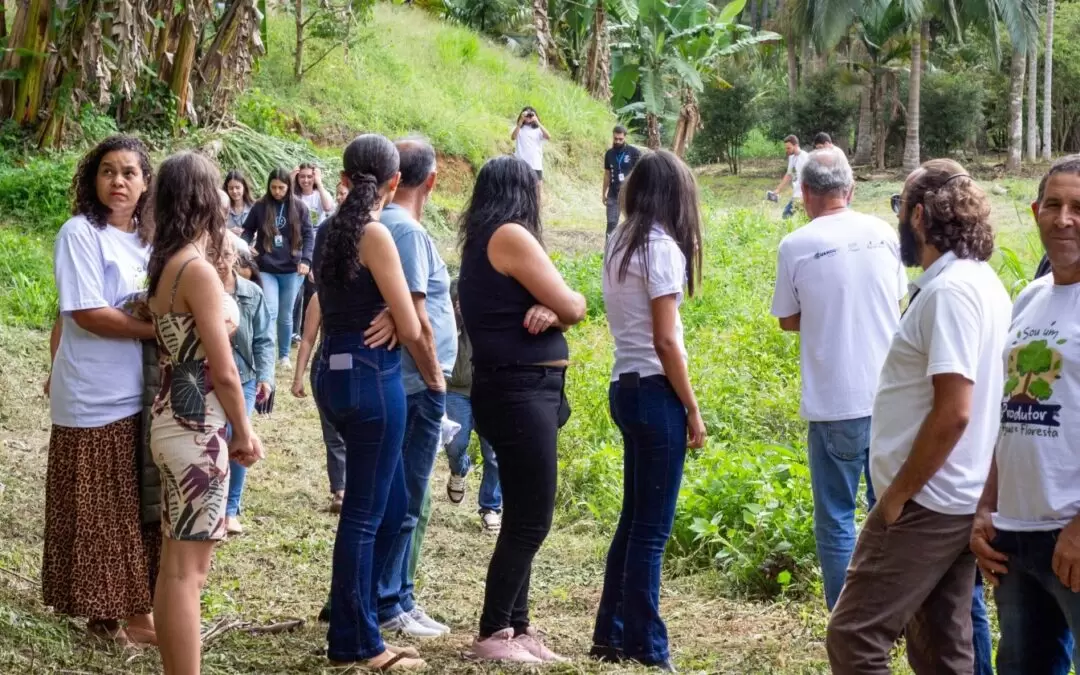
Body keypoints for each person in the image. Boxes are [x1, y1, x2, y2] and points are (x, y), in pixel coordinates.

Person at [826, 159, 1012, 674]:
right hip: (958, 494)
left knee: (854, 637)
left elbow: (954, 411)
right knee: (940, 647)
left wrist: (898, 495)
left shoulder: (950, 293)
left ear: (920, 215)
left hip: (927, 500)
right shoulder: (979, 283)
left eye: (899, 206)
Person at [459, 156, 586, 663]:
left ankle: (518, 627)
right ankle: (493, 631)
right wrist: (562, 306)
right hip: (519, 391)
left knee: (520, 515)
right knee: (532, 519)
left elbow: (555, 307)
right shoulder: (509, 234)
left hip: (518, 389)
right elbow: (577, 305)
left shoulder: (486, 239)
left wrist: (549, 308)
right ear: (523, 191)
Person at [770, 147, 906, 610]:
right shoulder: (884, 233)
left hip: (834, 403)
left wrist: (825, 312)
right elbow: (896, 301)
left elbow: (788, 320)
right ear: (850, 190)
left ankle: (848, 620)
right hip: (891, 400)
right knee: (889, 513)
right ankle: (893, 614)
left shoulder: (796, 245)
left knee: (835, 520)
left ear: (805, 193)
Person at [147, 151, 265, 675]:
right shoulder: (196, 271)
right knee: (190, 573)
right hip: (199, 428)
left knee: (176, 566)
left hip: (170, 416)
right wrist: (245, 431)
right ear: (202, 199)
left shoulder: (167, 264)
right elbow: (223, 370)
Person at [313, 134, 426, 670]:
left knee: (389, 504)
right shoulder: (374, 233)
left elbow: (331, 298)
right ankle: (357, 644)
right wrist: (395, 318)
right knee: (363, 516)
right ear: (394, 182)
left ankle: (354, 617)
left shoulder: (325, 230)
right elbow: (409, 323)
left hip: (331, 371)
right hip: (370, 377)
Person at [591, 150, 706, 672]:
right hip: (655, 390)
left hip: (624, 384)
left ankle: (610, 635)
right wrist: (693, 407)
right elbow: (666, 340)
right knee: (652, 529)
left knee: (634, 520)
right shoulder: (661, 248)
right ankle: (646, 645)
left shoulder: (620, 241)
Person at [43, 134, 159, 647]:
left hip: (142, 393)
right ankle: (102, 614)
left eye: (130, 172)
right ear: (94, 179)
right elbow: (85, 313)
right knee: (97, 508)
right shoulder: (79, 233)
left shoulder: (151, 241)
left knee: (135, 506)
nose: (118, 181)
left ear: (146, 183)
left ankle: (137, 609)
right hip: (94, 394)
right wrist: (155, 329)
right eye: (108, 171)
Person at [971, 155, 1080, 675]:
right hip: (1013, 535)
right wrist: (986, 505)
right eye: (1054, 205)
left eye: (1079, 207)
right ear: (1036, 211)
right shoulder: (1030, 298)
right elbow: (1006, 412)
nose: (1064, 219)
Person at [376, 138, 458, 639]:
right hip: (414, 383)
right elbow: (416, 320)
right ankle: (390, 601)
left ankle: (397, 595)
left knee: (403, 497)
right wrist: (435, 379)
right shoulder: (405, 231)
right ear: (430, 180)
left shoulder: (389, 226)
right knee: (405, 498)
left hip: (407, 381)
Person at [218, 234, 275, 536]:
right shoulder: (200, 291)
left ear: (235, 258)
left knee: (240, 435)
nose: (220, 259)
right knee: (217, 436)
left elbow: (265, 338)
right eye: (213, 252)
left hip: (245, 378)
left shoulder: (252, 293)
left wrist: (266, 376)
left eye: (225, 253)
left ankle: (230, 509)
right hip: (209, 378)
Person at [444, 278, 503, 533]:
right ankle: (459, 471)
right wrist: (457, 318)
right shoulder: (455, 290)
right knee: (455, 444)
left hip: (492, 387)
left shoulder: (502, 295)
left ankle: (491, 506)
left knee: (494, 452)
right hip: (458, 387)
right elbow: (441, 334)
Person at [242, 167, 314, 369]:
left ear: (288, 187)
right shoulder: (260, 206)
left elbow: (309, 235)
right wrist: (245, 244)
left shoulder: (299, 207)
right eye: (273, 187)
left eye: (281, 188)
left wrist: (306, 260)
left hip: (292, 268)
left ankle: (284, 355)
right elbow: (248, 230)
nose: (277, 191)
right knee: (270, 311)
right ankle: (267, 354)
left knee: (285, 314)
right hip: (266, 266)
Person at [603, 125, 643, 237]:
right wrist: (603, 193)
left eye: (620, 139)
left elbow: (640, 173)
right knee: (611, 225)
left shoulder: (634, 152)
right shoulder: (609, 154)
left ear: (625, 137)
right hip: (613, 194)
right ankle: (608, 251)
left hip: (629, 195)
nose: (618, 141)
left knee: (634, 224)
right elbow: (607, 174)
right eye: (615, 139)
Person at [771, 135, 809, 219]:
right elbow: (789, 175)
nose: (786, 150)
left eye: (788, 148)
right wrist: (778, 189)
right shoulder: (792, 158)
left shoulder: (806, 157)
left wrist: (805, 195)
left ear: (796, 145)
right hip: (797, 193)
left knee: (787, 214)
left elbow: (811, 178)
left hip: (804, 194)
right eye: (786, 148)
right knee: (795, 216)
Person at [512, 106, 550, 183]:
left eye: (531, 115)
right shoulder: (519, 128)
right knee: (519, 188)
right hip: (520, 163)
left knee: (537, 188)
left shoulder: (538, 130)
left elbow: (548, 136)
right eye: (527, 115)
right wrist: (520, 122)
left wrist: (537, 122)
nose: (529, 117)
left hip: (535, 164)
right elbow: (513, 137)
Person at [293, 162, 335, 227]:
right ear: (297, 178)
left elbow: (327, 208)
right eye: (302, 176)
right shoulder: (294, 195)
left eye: (309, 177)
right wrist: (291, 180)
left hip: (318, 234)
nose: (306, 180)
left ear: (314, 178)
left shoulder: (321, 193)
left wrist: (319, 182)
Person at [224, 170, 254, 236]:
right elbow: (215, 231)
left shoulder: (254, 207)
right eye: (231, 188)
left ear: (244, 187)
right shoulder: (222, 208)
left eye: (237, 187)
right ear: (227, 189)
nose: (234, 191)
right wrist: (228, 232)